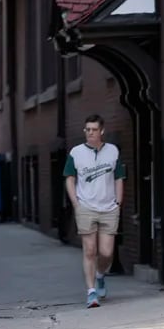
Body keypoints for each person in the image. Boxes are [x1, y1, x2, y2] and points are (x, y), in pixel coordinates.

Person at [63, 114, 124, 309]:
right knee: (90, 250)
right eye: (87, 129)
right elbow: (69, 178)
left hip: (109, 208)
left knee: (106, 252)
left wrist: (118, 201)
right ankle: (91, 293)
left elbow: (119, 177)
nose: (90, 133)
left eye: (94, 129)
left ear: (102, 131)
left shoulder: (113, 151)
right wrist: (76, 203)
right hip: (86, 207)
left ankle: (100, 275)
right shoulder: (76, 152)